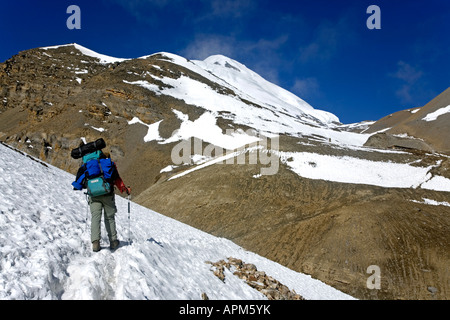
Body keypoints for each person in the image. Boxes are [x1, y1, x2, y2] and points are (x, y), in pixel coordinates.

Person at [73, 150, 131, 252]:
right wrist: (124, 190)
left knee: (96, 217)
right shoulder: (108, 164)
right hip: (107, 194)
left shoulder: (89, 165)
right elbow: (117, 178)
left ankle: (95, 243)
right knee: (109, 217)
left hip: (93, 195)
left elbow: (79, 182)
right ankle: (113, 241)